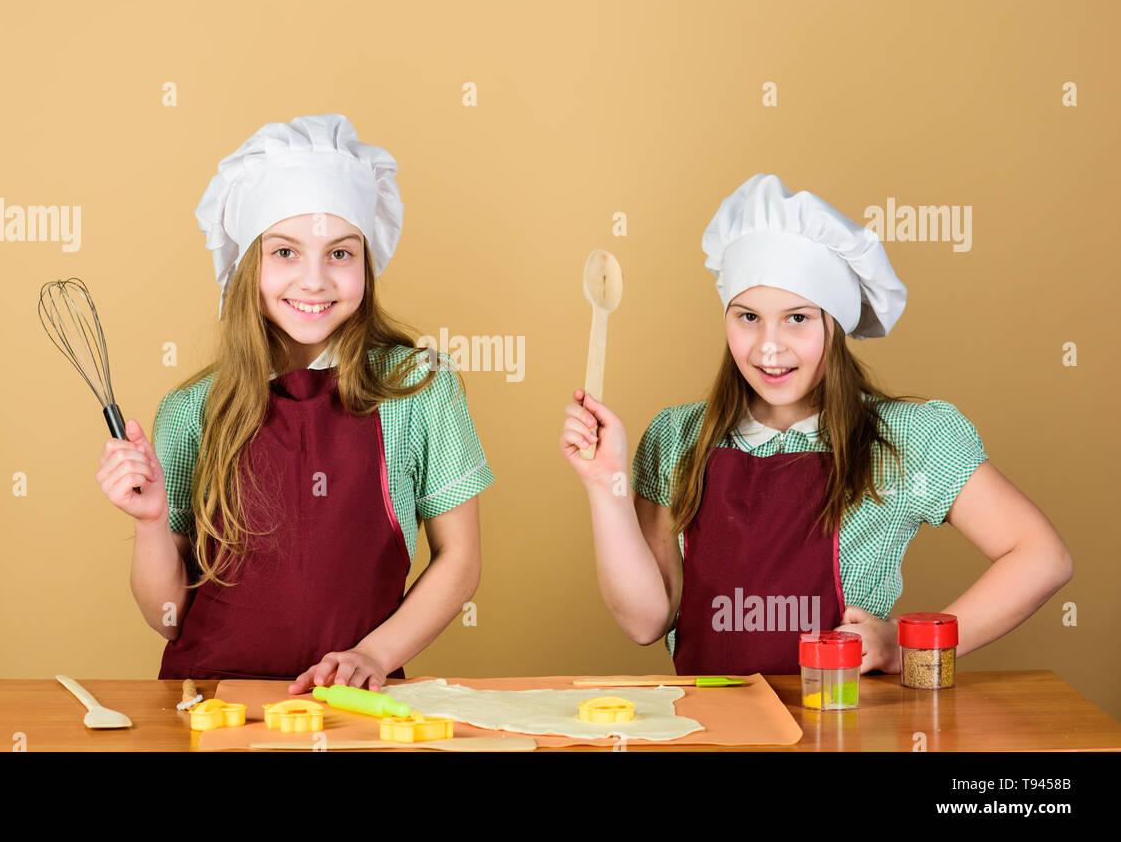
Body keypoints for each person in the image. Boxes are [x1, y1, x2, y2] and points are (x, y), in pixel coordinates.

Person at [559, 172, 1073, 675]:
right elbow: (646, 621)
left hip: (845, 727)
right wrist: (607, 485)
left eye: (798, 318)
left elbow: (1041, 557)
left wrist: (902, 644)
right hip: (714, 729)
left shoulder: (906, 438)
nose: (769, 346)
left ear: (837, 322)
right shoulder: (677, 438)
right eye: (748, 316)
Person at [96, 113, 493, 692]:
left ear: (367, 263)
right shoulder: (191, 409)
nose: (314, 280)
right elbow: (170, 618)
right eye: (285, 252)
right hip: (210, 698)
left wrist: (374, 655)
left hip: (356, 698)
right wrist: (152, 524)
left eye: (340, 253)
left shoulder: (418, 388)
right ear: (246, 266)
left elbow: (460, 562)